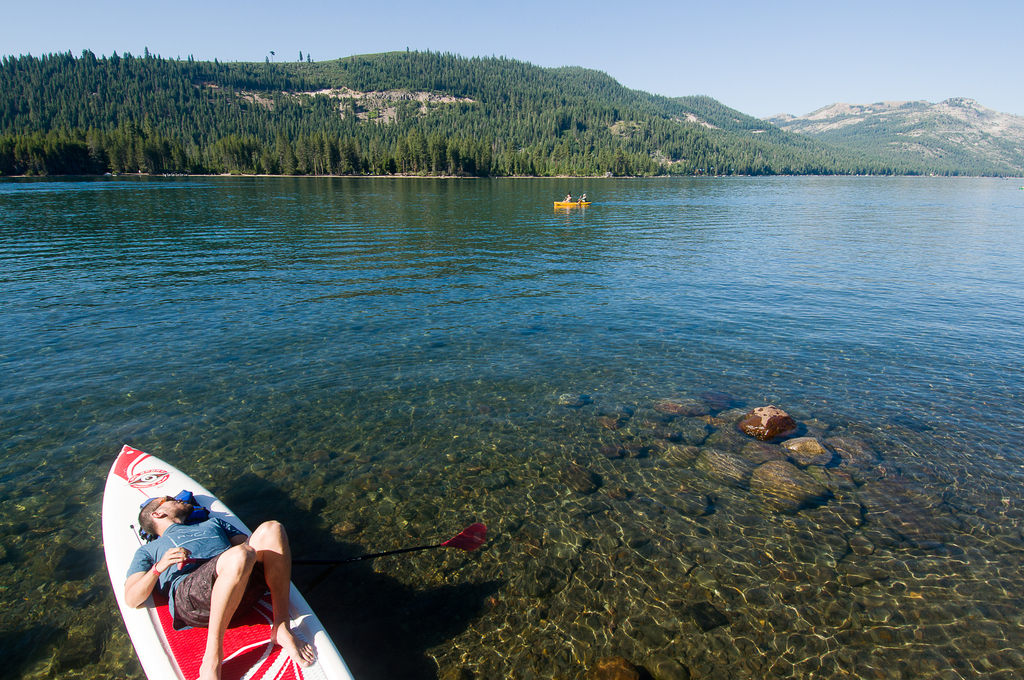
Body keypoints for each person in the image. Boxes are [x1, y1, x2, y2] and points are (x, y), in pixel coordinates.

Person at [125, 495, 315, 680]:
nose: (178, 498)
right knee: (240, 555)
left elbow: (256, 547)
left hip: (241, 583)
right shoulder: (148, 550)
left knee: (272, 528)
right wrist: (159, 568)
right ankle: (212, 659)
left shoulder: (213, 524)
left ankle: (281, 627)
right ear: (157, 514)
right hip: (193, 598)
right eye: (168, 499)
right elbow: (132, 599)